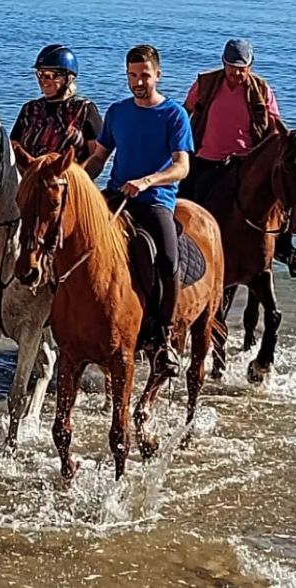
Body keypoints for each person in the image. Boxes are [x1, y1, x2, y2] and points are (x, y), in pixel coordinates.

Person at [0, 44, 103, 328]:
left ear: (68, 78)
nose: (44, 81)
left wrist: (78, 183)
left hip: (65, 192)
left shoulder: (85, 111)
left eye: (51, 75)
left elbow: (98, 154)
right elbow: (13, 148)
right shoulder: (30, 110)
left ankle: (65, 301)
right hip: (28, 187)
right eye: (41, 75)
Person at [83, 45, 193, 377]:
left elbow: (182, 167)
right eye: (132, 75)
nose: (138, 82)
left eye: (144, 75)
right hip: (117, 196)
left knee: (168, 259)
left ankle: (163, 337)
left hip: (156, 200)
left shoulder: (174, 115)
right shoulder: (117, 112)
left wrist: (147, 181)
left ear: (158, 75)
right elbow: (99, 158)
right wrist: (75, 181)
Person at [179, 38, 296, 277]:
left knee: (281, 196)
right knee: (184, 199)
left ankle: (284, 248)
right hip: (207, 157)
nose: (236, 73)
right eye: (231, 67)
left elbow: (275, 127)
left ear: (250, 66)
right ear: (223, 63)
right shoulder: (205, 84)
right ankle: (180, 252)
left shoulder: (261, 89)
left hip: (244, 161)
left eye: (241, 68)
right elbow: (183, 113)